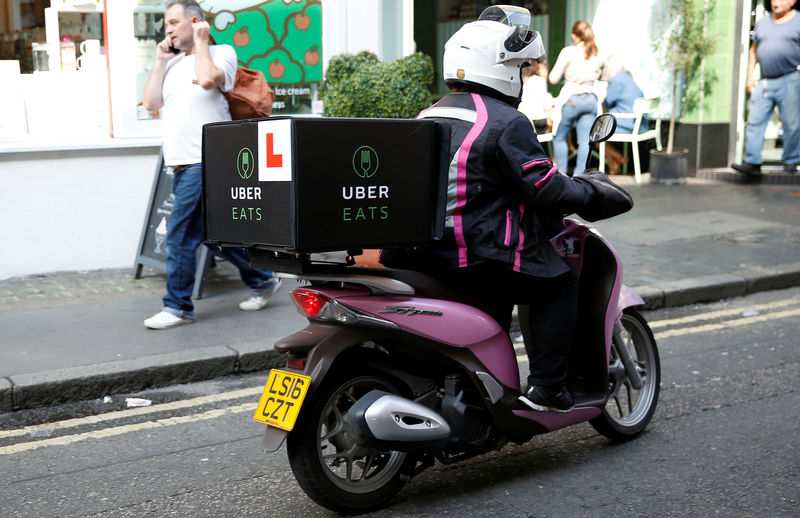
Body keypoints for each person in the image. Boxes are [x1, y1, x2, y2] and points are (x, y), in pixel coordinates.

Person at [380, 6, 630, 412]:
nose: (524, 75)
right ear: (499, 69)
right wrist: (592, 192)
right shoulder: (505, 121)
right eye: (520, 68)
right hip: (475, 254)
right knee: (559, 281)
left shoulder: (430, 113)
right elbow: (545, 188)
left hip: (421, 253)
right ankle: (549, 387)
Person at [141, 0, 279, 330]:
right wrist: (160, 61)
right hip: (179, 164)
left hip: (205, 161)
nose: (168, 29)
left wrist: (202, 41)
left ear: (195, 22)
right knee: (213, 237)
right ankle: (263, 280)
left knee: (178, 237)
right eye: (166, 24)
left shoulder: (222, 53)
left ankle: (177, 307)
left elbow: (208, 80)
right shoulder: (172, 65)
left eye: (175, 22)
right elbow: (150, 104)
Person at [732, 0, 800, 177]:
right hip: (765, 81)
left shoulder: (798, 20)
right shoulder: (763, 21)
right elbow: (754, 50)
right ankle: (752, 162)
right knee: (755, 121)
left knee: (792, 124)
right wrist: (749, 76)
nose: (776, 2)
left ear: (792, 1)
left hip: (791, 78)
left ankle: (791, 161)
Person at [548, 20, 606, 176]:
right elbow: (606, 76)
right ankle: (580, 176)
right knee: (585, 141)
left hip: (572, 99)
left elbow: (553, 78)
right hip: (590, 99)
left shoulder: (568, 52)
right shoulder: (597, 53)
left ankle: (561, 175)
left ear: (574, 36)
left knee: (559, 137)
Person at [602, 55, 647, 174]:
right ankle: (614, 164)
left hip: (626, 124)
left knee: (594, 132)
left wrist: (602, 100)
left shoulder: (617, 79)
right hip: (639, 124)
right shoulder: (628, 78)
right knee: (598, 131)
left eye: (609, 65)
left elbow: (608, 103)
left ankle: (619, 158)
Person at [518, 60, 556, 135]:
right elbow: (547, 105)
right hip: (537, 121)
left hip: (523, 122)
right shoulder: (539, 80)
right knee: (561, 120)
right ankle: (569, 146)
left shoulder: (520, 81)